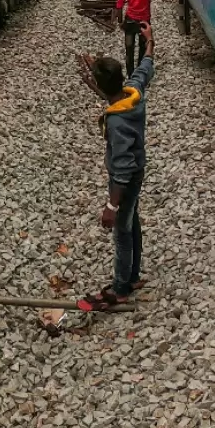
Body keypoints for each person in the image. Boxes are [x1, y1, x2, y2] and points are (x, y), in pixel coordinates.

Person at [74, 21, 156, 308]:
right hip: (139, 169)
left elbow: (121, 168)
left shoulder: (117, 122)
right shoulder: (133, 92)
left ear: (99, 85)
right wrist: (149, 41)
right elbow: (145, 70)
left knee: (121, 229)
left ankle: (120, 289)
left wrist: (111, 206)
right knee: (132, 222)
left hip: (127, 177)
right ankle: (132, 276)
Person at [115, 0, 170, 74]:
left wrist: (120, 22)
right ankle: (140, 73)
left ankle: (130, 74)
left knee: (129, 49)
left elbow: (119, 6)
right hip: (144, 22)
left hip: (129, 21)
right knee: (143, 48)